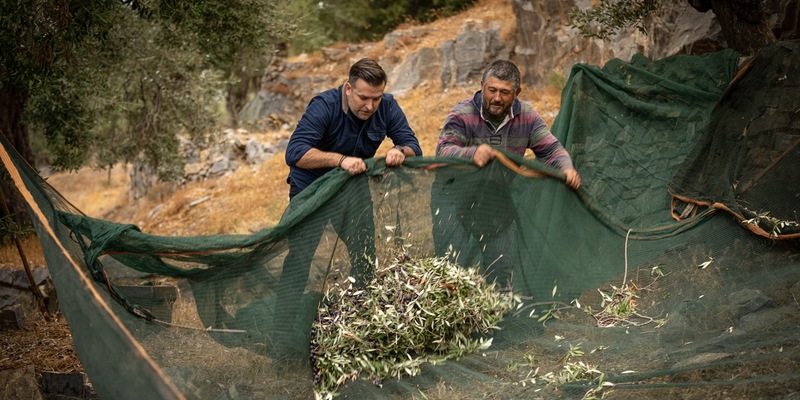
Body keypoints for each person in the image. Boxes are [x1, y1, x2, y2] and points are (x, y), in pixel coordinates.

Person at [273, 58, 422, 357]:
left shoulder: (388, 106)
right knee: (300, 260)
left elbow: (411, 144)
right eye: (363, 97)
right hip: (311, 190)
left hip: (352, 192)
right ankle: (280, 335)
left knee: (366, 256)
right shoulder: (324, 105)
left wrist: (398, 151)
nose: (369, 106)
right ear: (348, 88)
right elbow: (296, 152)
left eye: (376, 98)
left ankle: (362, 326)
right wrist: (339, 160)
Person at [432, 59, 581, 286]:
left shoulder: (528, 117)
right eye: (491, 90)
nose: (497, 98)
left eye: (505, 92)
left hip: (496, 198)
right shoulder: (462, 113)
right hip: (454, 195)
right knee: (451, 268)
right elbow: (443, 150)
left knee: (501, 267)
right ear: (482, 85)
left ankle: (496, 314)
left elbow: (551, 149)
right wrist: (472, 153)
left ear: (517, 92)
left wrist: (566, 168)